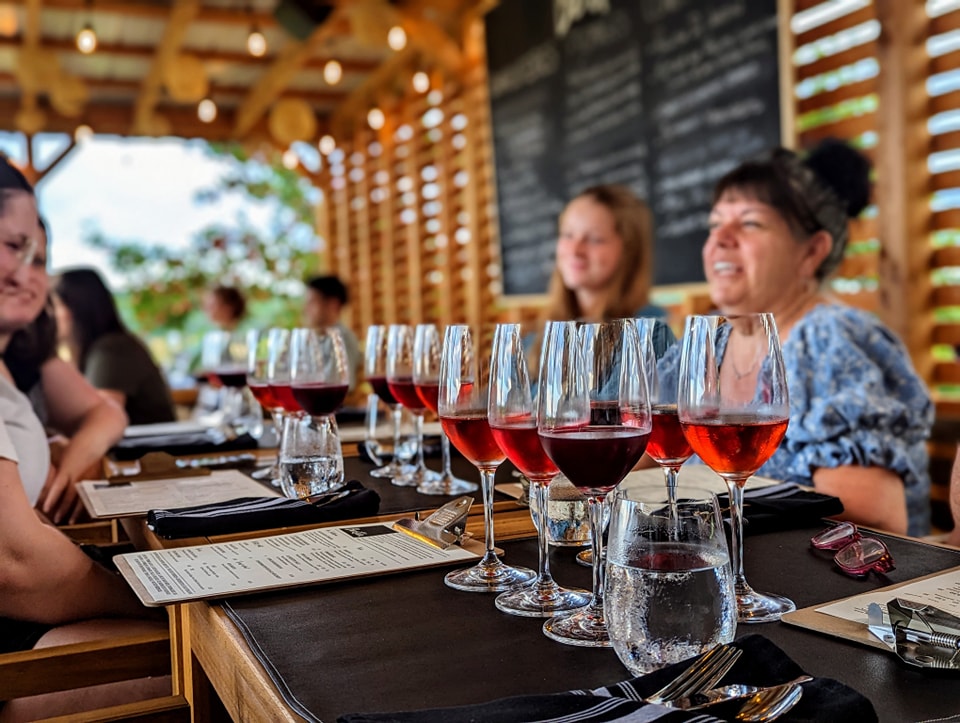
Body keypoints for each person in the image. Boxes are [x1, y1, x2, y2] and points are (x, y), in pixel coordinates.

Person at [658, 140, 932, 537]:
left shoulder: (831, 341)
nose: (720, 239)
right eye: (715, 224)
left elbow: (873, 520)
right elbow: (642, 454)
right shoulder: (709, 340)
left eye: (750, 223)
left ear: (811, 251)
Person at [0, 158, 165, 721]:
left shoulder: (15, 359)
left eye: (38, 257)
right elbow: (14, 562)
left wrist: (71, 454)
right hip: (16, 640)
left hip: (30, 610)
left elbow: (103, 414)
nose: (27, 272)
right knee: (233, 657)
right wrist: (164, 598)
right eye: (11, 246)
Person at [3, 219, 128, 523]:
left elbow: (109, 413)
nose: (24, 275)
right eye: (10, 253)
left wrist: (68, 466)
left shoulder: (26, 348)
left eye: (38, 261)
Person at [536, 184, 674, 357]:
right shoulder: (536, 339)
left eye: (595, 239)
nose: (575, 250)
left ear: (629, 250)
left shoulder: (651, 333)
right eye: (568, 235)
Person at [52, 268, 177, 426]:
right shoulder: (97, 350)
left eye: (54, 305)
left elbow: (100, 422)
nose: (48, 314)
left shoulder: (113, 349)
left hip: (152, 450)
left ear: (75, 308)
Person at [304, 274, 361, 391]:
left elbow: (343, 388)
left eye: (312, 302)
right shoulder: (315, 339)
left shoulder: (343, 339)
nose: (306, 308)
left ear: (333, 304)